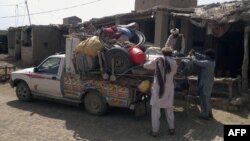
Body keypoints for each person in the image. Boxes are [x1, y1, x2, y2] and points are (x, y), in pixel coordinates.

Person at [143, 47, 177, 137]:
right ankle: (172, 129)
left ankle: (155, 131)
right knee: (169, 110)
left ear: (162, 53)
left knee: (155, 111)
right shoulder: (174, 62)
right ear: (171, 54)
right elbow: (174, 72)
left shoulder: (158, 60)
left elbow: (148, 66)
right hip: (169, 88)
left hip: (158, 88)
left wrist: (142, 64)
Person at [189, 49, 216, 120]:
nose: (205, 56)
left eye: (207, 55)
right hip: (208, 83)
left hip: (205, 84)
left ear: (209, 56)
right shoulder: (212, 61)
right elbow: (202, 56)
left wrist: (192, 56)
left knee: (204, 99)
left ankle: (205, 115)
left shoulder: (207, 63)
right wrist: (195, 53)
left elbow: (196, 62)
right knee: (207, 99)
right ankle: (209, 113)